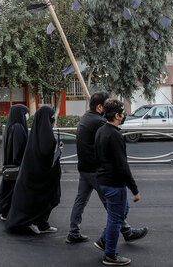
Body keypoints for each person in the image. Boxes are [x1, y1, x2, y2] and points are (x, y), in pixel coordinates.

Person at [67, 92, 147, 244]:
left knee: (81, 200)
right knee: (115, 205)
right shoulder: (99, 122)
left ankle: (73, 231)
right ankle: (125, 232)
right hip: (95, 170)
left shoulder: (86, 117)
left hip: (84, 167)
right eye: (107, 105)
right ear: (99, 107)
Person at [94, 99, 143, 266]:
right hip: (114, 183)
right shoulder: (115, 135)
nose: (124, 116)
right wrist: (134, 189)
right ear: (117, 115)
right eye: (123, 113)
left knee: (122, 211)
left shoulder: (101, 131)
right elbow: (123, 165)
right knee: (116, 219)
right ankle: (110, 255)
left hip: (103, 180)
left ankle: (103, 240)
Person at [5, 105, 62, 234]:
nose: (53, 119)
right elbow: (47, 152)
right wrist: (58, 150)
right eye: (51, 117)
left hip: (33, 174)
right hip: (39, 176)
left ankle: (41, 223)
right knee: (40, 200)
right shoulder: (43, 135)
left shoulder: (36, 133)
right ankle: (33, 222)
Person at [0, 104, 29, 220]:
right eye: (25, 113)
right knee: (13, 190)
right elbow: (18, 149)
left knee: (9, 189)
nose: (27, 116)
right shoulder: (18, 127)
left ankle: (6, 211)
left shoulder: (11, 126)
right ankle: (8, 212)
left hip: (10, 165)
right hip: (16, 165)